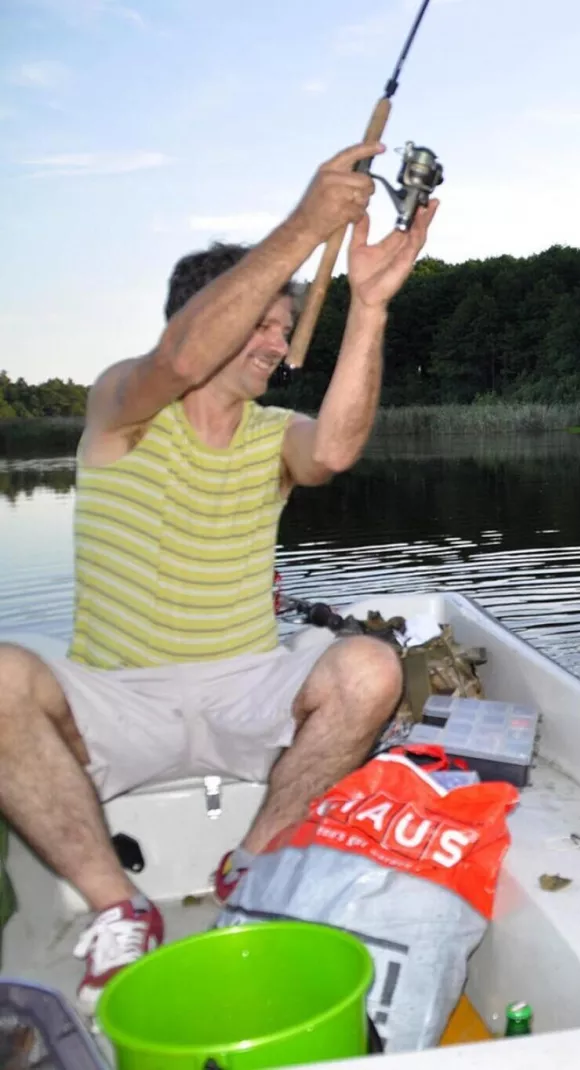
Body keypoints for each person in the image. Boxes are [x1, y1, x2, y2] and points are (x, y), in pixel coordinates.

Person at [0, 140, 439, 1013]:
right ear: (206, 317)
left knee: (370, 668)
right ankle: (118, 905)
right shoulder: (123, 408)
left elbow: (336, 449)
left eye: (284, 327)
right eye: (260, 324)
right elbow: (175, 361)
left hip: (246, 685)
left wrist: (370, 306)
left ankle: (256, 864)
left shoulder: (273, 434)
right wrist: (306, 224)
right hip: (119, 695)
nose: (276, 344)